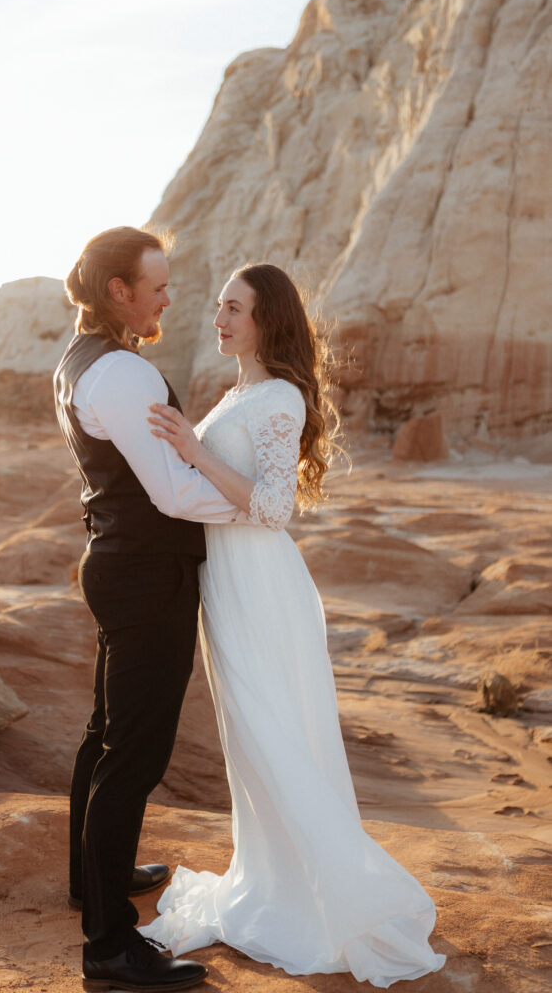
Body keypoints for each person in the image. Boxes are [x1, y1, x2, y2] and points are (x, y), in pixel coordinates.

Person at [142, 263, 446, 988]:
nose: (218, 318)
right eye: (217, 305)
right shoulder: (242, 390)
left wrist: (190, 449)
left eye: (234, 308)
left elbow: (276, 507)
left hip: (260, 583)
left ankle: (330, 902)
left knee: (270, 735)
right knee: (251, 744)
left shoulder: (276, 396)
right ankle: (276, 885)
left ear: (266, 320)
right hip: (229, 580)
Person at [54, 226, 252, 992]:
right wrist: (255, 507)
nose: (170, 298)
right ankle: (109, 943)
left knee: (107, 733)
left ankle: (89, 879)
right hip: (144, 575)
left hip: (116, 563)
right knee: (133, 753)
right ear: (118, 291)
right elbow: (171, 492)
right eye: (158, 286)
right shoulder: (123, 374)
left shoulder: (78, 361)